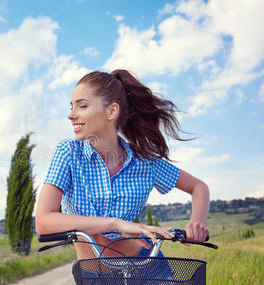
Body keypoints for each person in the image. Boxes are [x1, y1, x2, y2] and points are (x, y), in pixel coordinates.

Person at [35, 69, 210, 259]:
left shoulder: (145, 162)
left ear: (111, 111)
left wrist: (196, 223)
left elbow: (198, 187)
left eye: (82, 106)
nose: (71, 115)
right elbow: (44, 222)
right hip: (93, 274)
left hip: (145, 262)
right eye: (71, 107)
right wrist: (115, 223)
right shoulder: (69, 152)